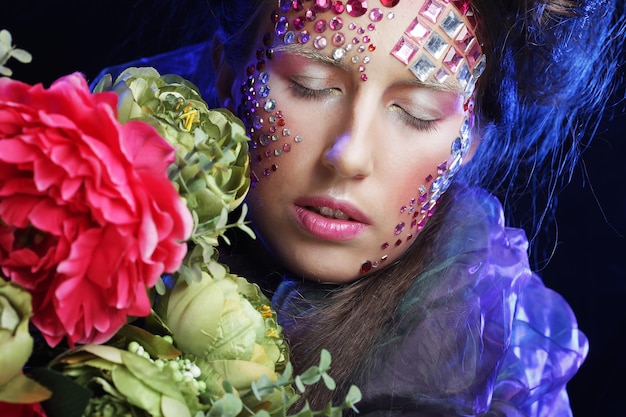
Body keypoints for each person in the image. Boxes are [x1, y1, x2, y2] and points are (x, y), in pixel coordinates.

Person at [94, 0, 624, 415]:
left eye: (415, 114)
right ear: (229, 76)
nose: (348, 155)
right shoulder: (80, 228)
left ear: (470, 140)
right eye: (311, 86)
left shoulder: (484, 366)